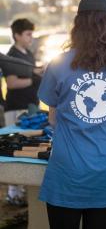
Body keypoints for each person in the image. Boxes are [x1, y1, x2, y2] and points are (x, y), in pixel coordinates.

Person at [38, 0, 106, 229]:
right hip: (105, 171)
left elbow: (52, 117)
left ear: (78, 25)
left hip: (66, 173)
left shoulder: (59, 64)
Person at [3, 18, 43, 206]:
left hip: (30, 106)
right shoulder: (11, 55)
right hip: (16, 107)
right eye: (27, 34)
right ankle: (13, 193)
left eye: (32, 34)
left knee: (28, 147)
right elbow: (11, 83)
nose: (31, 37)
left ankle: (25, 187)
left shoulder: (28, 54)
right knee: (14, 147)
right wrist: (34, 79)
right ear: (17, 35)